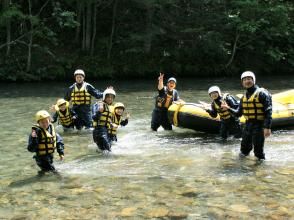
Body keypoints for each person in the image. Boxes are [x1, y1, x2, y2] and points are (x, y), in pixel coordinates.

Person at [221, 71, 272, 160]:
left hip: (259, 125)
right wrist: (228, 108)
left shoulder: (262, 93)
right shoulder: (243, 97)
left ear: (253, 80)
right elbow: (238, 113)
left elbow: (268, 111)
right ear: (242, 83)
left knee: (258, 152)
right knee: (244, 150)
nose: (246, 81)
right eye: (244, 80)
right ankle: (243, 170)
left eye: (249, 79)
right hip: (248, 125)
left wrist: (267, 128)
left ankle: (260, 171)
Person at [27, 110, 64, 174]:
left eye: (46, 122)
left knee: (47, 171)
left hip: (50, 156)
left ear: (49, 121)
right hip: (41, 158)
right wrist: (34, 139)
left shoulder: (51, 130)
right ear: (38, 123)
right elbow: (31, 149)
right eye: (42, 122)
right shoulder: (36, 133)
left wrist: (60, 152)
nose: (45, 124)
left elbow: (58, 141)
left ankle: (40, 176)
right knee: (55, 172)